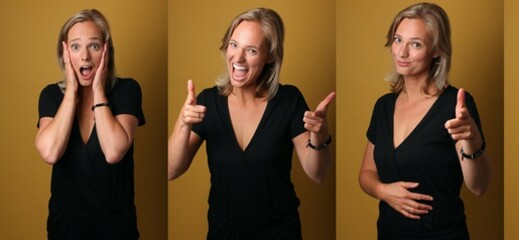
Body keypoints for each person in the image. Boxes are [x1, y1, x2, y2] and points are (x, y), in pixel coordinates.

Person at [167, 8, 334, 239]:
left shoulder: (289, 100)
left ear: (270, 56)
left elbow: (318, 174)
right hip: (223, 231)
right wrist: (183, 123)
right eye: (234, 45)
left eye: (252, 50)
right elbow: (171, 170)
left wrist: (320, 133)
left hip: (280, 231)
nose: (238, 58)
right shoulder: (207, 102)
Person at [357, 3, 490, 239]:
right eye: (398, 40)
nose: (402, 52)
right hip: (389, 232)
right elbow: (366, 173)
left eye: (415, 44)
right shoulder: (384, 106)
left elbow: (478, 187)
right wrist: (383, 191)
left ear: (437, 50)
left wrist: (472, 139)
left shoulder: (455, 105)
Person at [35, 9, 145, 239]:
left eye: (93, 46)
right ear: (65, 54)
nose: (84, 56)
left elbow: (114, 151)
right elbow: (50, 152)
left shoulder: (127, 91)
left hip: (116, 227)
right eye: (75, 47)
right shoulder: (51, 96)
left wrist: (97, 90)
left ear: (106, 51)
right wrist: (72, 91)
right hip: (65, 226)